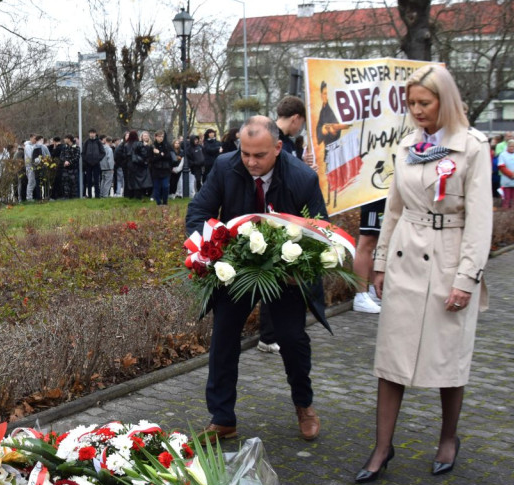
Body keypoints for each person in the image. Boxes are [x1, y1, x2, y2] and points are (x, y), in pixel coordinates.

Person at [355, 64, 492, 484]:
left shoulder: (471, 146)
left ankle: (448, 438)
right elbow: (393, 208)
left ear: (444, 101)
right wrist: (379, 265)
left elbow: (480, 220)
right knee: (391, 358)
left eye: (424, 103)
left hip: (449, 258)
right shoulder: (408, 146)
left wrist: (466, 279)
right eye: (411, 103)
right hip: (405, 257)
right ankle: (382, 447)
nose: (416, 110)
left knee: (446, 356)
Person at [186, 115, 330, 442]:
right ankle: (222, 418)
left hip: (284, 273)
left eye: (259, 155)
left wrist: (301, 269)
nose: (250, 162)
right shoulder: (225, 167)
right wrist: (208, 249)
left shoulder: (302, 178)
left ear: (278, 148)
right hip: (236, 268)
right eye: (245, 153)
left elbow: (321, 229)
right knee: (223, 337)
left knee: (292, 339)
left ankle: (304, 405)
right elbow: (198, 212)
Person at [352, 199, 386, 313]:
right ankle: (360, 296)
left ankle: (374, 292)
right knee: (367, 243)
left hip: (384, 195)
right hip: (374, 199)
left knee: (375, 243)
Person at [149, 130, 177, 205]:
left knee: (165, 186)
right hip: (156, 170)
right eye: (159, 136)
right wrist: (160, 155)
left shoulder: (167, 145)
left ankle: (165, 202)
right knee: (156, 187)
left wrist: (159, 154)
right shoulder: (152, 146)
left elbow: (168, 156)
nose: (161, 138)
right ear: (155, 137)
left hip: (166, 170)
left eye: (162, 136)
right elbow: (151, 159)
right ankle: (158, 202)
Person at [497, 139, 514, 209]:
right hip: (506, 181)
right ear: (507, 146)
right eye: (510, 146)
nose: (512, 148)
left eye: (513, 146)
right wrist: (510, 174)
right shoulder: (503, 155)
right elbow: (501, 166)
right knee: (506, 199)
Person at [125, 130, 152, 199]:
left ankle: (130, 195)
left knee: (130, 179)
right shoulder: (139, 144)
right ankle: (138, 195)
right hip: (138, 164)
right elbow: (144, 153)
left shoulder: (127, 144)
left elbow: (124, 155)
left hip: (129, 164)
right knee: (138, 180)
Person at [82, 129, 105, 198]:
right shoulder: (86, 142)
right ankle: (89, 195)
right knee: (88, 181)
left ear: (95, 134)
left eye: (93, 133)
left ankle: (97, 195)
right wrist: (86, 160)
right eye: (91, 133)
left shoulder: (98, 142)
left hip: (96, 164)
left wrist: (98, 159)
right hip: (88, 164)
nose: (92, 134)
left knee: (96, 180)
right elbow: (83, 153)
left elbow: (103, 152)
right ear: (89, 134)